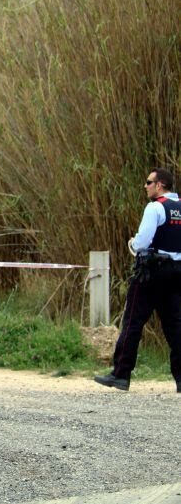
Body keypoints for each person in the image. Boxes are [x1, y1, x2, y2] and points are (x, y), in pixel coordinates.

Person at [95, 168, 181, 393]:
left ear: (160, 185)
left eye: (149, 182)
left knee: (133, 322)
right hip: (176, 272)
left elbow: (142, 242)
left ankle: (120, 374)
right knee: (176, 327)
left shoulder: (155, 207)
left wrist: (133, 243)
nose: (146, 186)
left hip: (151, 273)